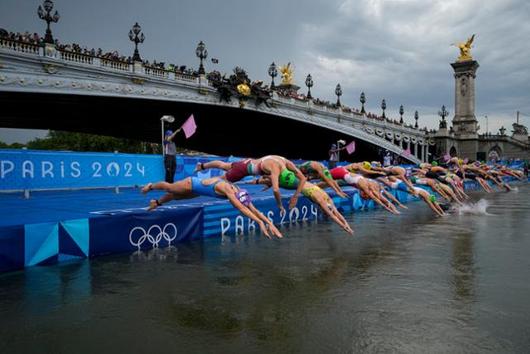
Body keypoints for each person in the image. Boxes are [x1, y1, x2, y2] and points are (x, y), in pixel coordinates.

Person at [141, 177, 283, 239]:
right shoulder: (228, 189)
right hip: (192, 183)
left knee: (176, 196)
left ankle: (157, 203)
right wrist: (259, 223)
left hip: (198, 191)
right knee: (172, 188)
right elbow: (242, 209)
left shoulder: (240, 191)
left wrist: (269, 223)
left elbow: (253, 209)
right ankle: (150, 186)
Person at [251, 176, 354, 235]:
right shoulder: (322, 201)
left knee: (276, 181)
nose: (325, 211)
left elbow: (336, 213)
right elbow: (333, 215)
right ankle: (257, 180)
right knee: (277, 182)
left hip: (304, 184)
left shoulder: (328, 199)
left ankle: (262, 180)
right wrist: (344, 227)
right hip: (297, 185)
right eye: (325, 210)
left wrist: (346, 225)